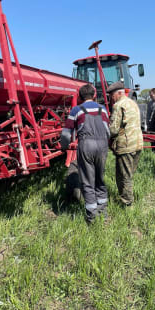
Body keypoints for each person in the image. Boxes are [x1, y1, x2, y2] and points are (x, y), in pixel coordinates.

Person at [61, 84, 110, 223]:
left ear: (80, 96)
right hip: (102, 145)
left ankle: (92, 218)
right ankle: (103, 214)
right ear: (94, 95)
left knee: (88, 182)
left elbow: (66, 133)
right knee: (100, 179)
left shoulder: (76, 110)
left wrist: (64, 146)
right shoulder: (103, 109)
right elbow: (108, 130)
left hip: (86, 145)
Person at [107, 81, 143, 207]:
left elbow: (113, 129)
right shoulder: (133, 103)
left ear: (119, 93)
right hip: (137, 143)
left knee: (124, 176)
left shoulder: (118, 105)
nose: (111, 98)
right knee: (129, 174)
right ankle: (126, 198)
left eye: (112, 95)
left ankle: (127, 204)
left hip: (125, 146)